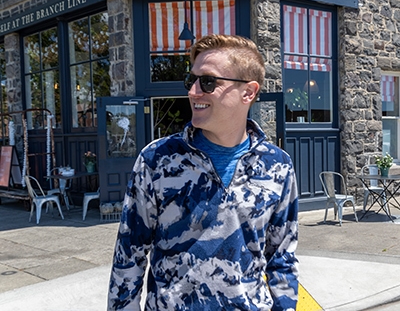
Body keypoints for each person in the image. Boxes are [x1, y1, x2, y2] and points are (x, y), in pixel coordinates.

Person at [108, 34, 299, 310]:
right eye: (192, 80)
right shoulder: (157, 159)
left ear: (248, 92)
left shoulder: (278, 166)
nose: (193, 91)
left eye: (207, 81)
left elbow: (282, 258)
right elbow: (129, 256)